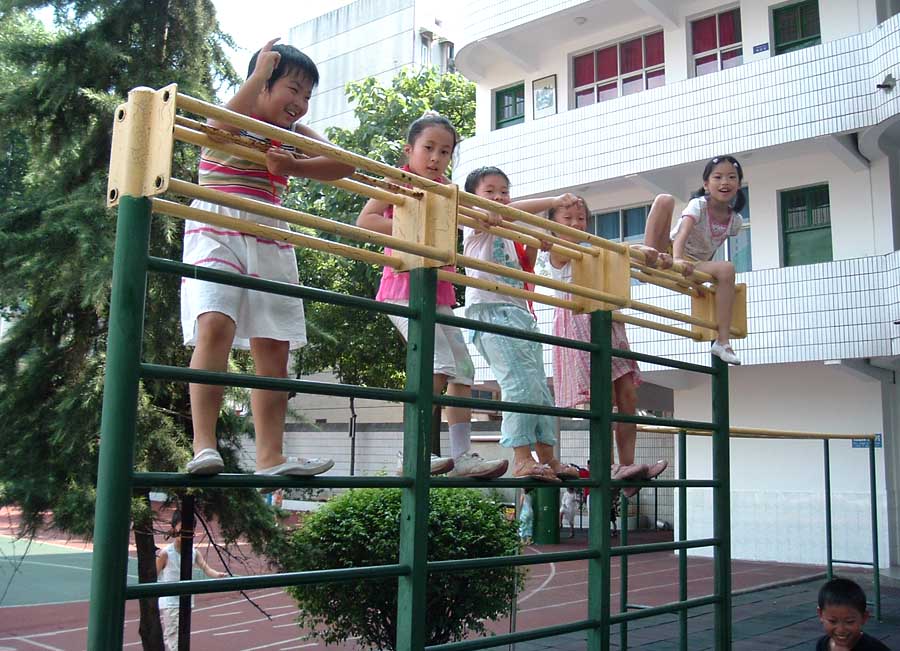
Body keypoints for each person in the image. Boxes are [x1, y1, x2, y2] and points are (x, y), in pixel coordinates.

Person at [181, 39, 354, 476]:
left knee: (275, 347)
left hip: (270, 233)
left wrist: (293, 165)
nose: (300, 102)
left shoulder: (290, 136)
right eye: (292, 89)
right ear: (261, 84)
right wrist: (258, 75)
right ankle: (204, 444)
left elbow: (344, 164)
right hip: (218, 224)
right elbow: (215, 125)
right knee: (215, 323)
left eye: (307, 95)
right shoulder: (235, 118)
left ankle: (270, 456)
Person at [356, 113, 507, 479]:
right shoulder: (398, 179)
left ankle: (463, 455)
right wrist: (414, 227)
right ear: (409, 150)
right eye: (429, 148)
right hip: (404, 287)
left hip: (437, 289)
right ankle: (412, 452)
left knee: (464, 371)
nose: (436, 157)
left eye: (445, 151)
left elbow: (471, 216)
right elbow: (366, 221)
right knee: (437, 364)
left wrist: (487, 215)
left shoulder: (447, 190)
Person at [462, 166, 581, 483]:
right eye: (490, 191)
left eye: (504, 191)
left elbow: (523, 271)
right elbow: (504, 212)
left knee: (540, 391)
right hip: (491, 310)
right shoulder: (474, 221)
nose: (499, 197)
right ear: (474, 197)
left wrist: (535, 242)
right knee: (519, 385)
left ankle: (548, 457)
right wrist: (553, 201)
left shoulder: (507, 233)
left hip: (520, 313)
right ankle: (521, 457)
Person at [547, 198, 667, 498]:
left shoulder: (595, 251)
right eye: (567, 218)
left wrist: (637, 251)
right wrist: (622, 250)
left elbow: (614, 257)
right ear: (554, 223)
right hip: (580, 320)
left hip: (607, 320)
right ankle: (609, 465)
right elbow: (567, 250)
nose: (575, 224)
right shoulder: (557, 252)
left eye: (581, 218)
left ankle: (627, 468)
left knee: (628, 396)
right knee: (605, 399)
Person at [636, 156, 746, 365]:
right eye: (718, 177)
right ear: (706, 184)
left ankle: (723, 342)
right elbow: (682, 235)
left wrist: (700, 280)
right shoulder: (699, 205)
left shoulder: (735, 221)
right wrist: (677, 260)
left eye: (732, 177)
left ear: (739, 184)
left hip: (694, 264)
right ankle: (646, 259)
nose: (725, 182)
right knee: (665, 200)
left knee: (727, 269)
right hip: (669, 251)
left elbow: (711, 248)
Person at [156, 511, 227, 651]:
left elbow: (206, 568)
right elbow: (155, 575)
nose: (185, 532)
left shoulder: (194, 552)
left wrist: (219, 575)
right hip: (171, 603)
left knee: (182, 638)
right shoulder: (166, 553)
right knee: (174, 639)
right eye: (181, 528)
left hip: (186, 602)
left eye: (189, 529)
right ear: (174, 528)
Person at [816, 577, 890, 650]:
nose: (841, 629)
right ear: (820, 614)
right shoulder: (822, 644)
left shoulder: (874, 649)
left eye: (849, 622)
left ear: (864, 617)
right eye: (832, 621)